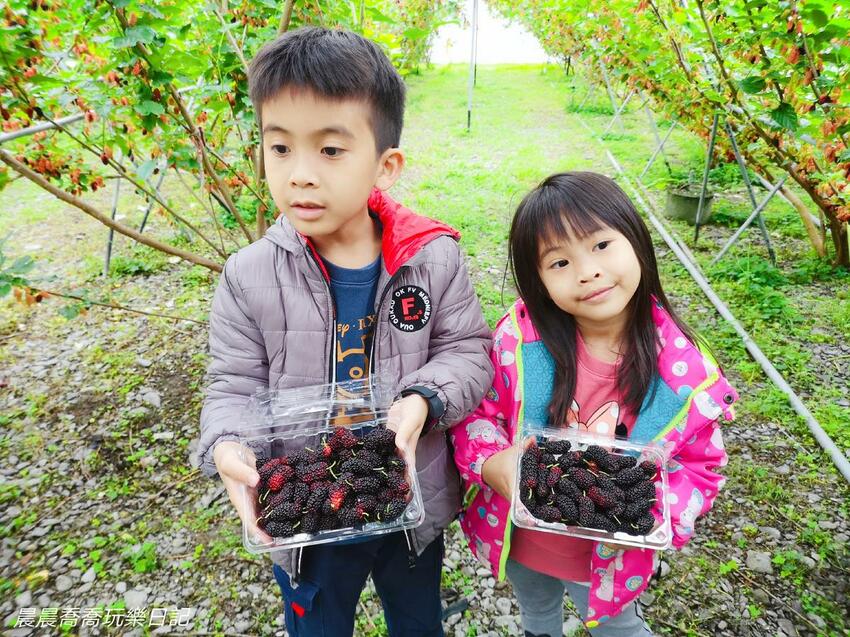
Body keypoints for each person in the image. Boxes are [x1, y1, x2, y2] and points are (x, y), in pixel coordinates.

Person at [196, 26, 493, 637]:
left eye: (330, 150)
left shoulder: (431, 259)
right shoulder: (248, 277)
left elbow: (467, 351)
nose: (300, 174)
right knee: (318, 622)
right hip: (309, 509)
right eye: (280, 148)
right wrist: (228, 445)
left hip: (406, 496)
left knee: (416, 617)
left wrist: (423, 399)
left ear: (386, 166)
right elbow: (233, 385)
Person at [451, 172, 738, 636]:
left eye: (601, 245)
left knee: (619, 630)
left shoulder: (684, 377)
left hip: (608, 560)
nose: (587, 271)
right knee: (537, 615)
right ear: (538, 280)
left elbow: (701, 468)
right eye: (559, 262)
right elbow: (478, 415)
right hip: (523, 539)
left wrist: (646, 511)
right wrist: (490, 464)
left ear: (636, 239)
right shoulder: (517, 345)